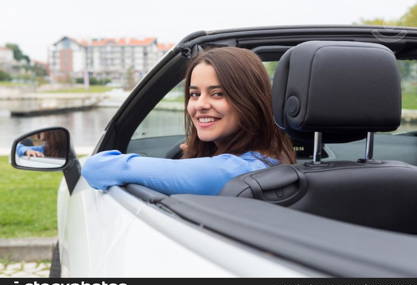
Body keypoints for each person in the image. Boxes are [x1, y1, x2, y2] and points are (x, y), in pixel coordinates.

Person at [82, 47, 296, 195]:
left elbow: (97, 168)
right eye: (194, 94)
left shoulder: (234, 171)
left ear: (249, 100)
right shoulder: (271, 157)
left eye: (218, 94)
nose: (200, 104)